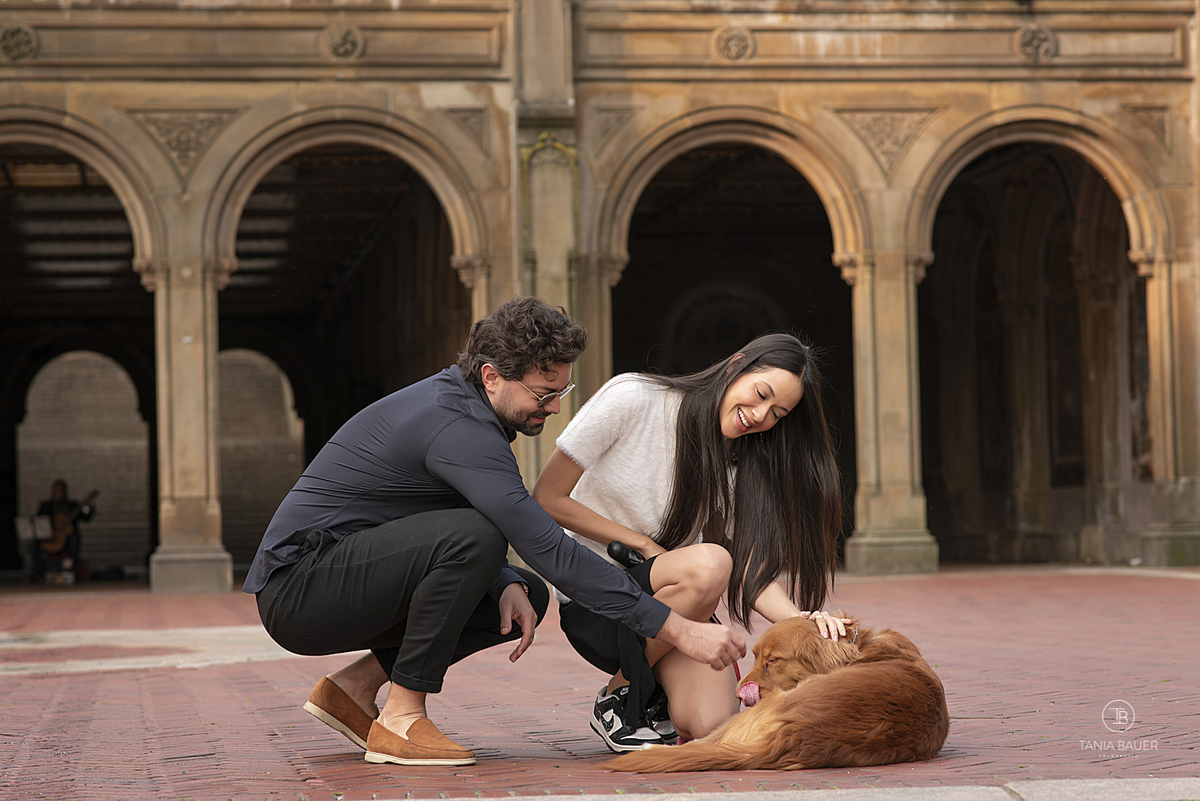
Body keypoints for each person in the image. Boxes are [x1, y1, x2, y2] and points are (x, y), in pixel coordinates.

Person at [243, 297, 745, 768]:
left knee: (522, 592)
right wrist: (677, 628)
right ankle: (402, 718)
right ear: (491, 376)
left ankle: (353, 688)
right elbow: (545, 545)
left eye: (561, 392)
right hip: (299, 589)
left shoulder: (464, 409)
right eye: (544, 393)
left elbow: (429, 526)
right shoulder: (457, 426)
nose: (553, 407)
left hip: (335, 575)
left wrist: (503, 578)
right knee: (476, 537)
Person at [532, 333, 847, 752]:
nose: (761, 415)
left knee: (713, 725)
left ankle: (652, 692)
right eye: (760, 394)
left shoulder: (739, 463)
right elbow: (547, 498)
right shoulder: (633, 397)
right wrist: (641, 544)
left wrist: (800, 622)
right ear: (737, 364)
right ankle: (622, 696)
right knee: (711, 564)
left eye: (778, 412)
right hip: (597, 601)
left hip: (670, 612)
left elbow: (750, 569)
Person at [30, 479, 95, 583]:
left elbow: (86, 518)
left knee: (73, 538)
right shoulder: (46, 506)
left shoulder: (72, 505)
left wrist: (88, 508)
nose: (57, 492)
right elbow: (39, 522)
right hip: (50, 537)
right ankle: (42, 572)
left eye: (59, 490)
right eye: (55, 490)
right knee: (33, 545)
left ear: (64, 492)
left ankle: (70, 569)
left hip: (66, 539)